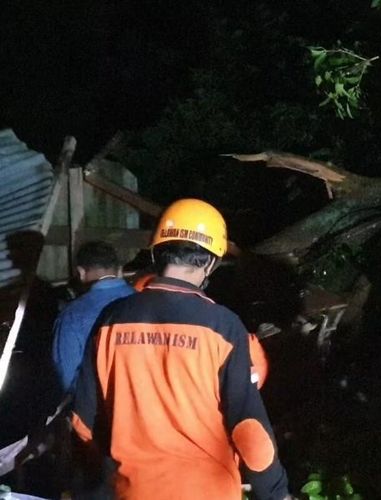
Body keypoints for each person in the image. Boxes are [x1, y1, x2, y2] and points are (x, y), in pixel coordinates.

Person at [71, 198, 290, 499]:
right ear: (211, 262)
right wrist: (275, 493)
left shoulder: (110, 321)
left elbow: (83, 422)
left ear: (156, 251)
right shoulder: (223, 327)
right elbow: (249, 428)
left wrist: (99, 482)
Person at [51, 241, 134, 393]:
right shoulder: (146, 303)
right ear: (119, 270)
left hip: (95, 409)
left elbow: (65, 377)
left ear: (81, 272)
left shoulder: (72, 316)